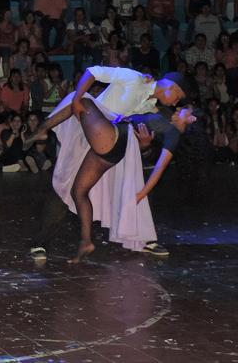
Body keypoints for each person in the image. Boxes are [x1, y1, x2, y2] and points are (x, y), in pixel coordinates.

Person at [26, 66, 190, 261]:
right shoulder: (134, 78)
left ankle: (142, 239)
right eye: (178, 97)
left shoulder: (150, 107)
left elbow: (147, 135)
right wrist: (77, 99)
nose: (176, 102)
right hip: (88, 131)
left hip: (107, 140)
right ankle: (41, 242)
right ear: (172, 86)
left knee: (129, 183)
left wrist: (145, 146)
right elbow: (92, 72)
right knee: (66, 188)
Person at [62, 98, 196, 263]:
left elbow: (158, 169)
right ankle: (86, 241)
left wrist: (139, 196)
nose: (179, 108)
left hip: (116, 142)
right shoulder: (165, 119)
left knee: (81, 100)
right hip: (116, 137)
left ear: (192, 119)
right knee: (78, 191)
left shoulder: (173, 134)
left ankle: (41, 130)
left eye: (185, 109)